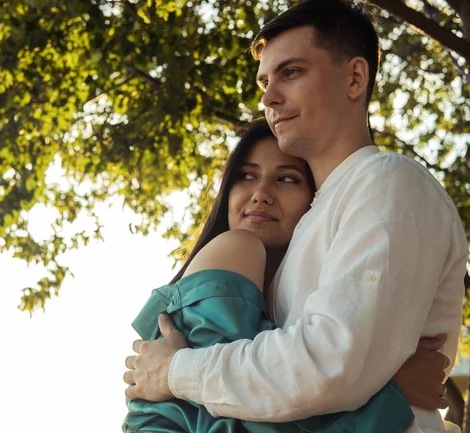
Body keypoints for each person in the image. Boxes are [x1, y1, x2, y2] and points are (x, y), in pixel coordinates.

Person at [123, 1, 468, 432]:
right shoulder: (302, 231)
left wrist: (177, 372)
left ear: (355, 78)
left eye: (291, 72)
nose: (268, 97)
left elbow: (330, 362)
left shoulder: (387, 182)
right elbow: (272, 401)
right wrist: (391, 388)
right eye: (264, 81)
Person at [123, 120, 448, 432]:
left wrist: (371, 373)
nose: (260, 193)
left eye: (287, 179)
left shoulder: (292, 297)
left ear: (315, 201)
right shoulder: (238, 247)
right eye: (247, 176)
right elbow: (242, 419)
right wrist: (390, 391)